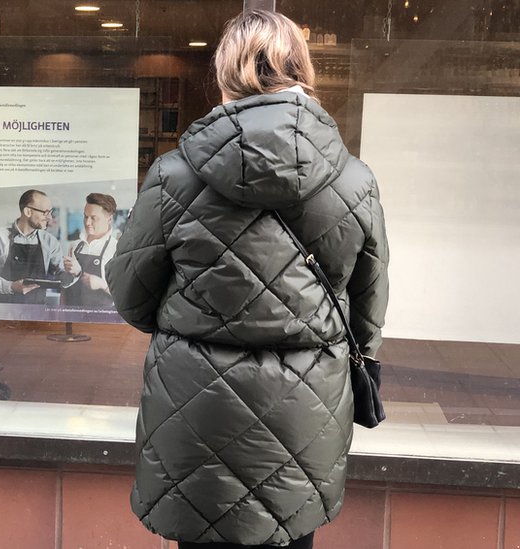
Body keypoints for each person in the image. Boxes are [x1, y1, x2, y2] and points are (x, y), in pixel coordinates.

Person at [106, 10, 389, 549]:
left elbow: (131, 297)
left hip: (196, 407)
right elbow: (368, 308)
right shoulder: (355, 180)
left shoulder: (174, 175)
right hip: (306, 410)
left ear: (225, 73)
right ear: (302, 70)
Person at [0, 189, 64, 304]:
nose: (50, 218)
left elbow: (60, 275)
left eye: (50, 212)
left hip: (38, 313)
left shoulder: (50, 241)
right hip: (3, 310)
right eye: (45, 212)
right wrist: (10, 286)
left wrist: (74, 273)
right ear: (28, 212)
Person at [62, 193, 118, 308]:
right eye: (85, 216)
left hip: (101, 319)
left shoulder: (117, 248)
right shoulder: (75, 246)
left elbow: (125, 295)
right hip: (72, 314)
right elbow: (64, 287)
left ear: (109, 219)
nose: (87, 223)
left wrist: (102, 285)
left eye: (93, 218)